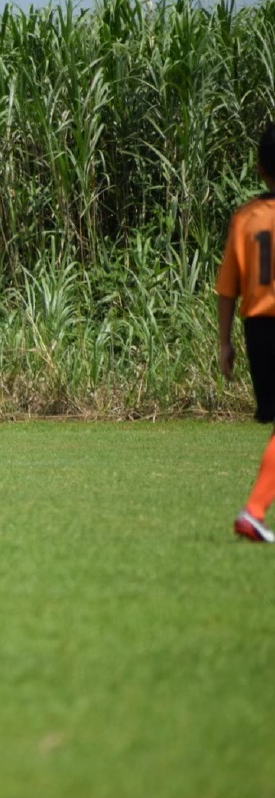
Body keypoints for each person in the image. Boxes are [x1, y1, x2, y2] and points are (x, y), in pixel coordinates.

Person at [217, 122, 275, 543]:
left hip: (258, 331)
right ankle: (253, 511)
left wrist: (224, 343)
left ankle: (255, 511)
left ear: (259, 168)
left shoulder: (245, 218)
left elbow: (227, 289)